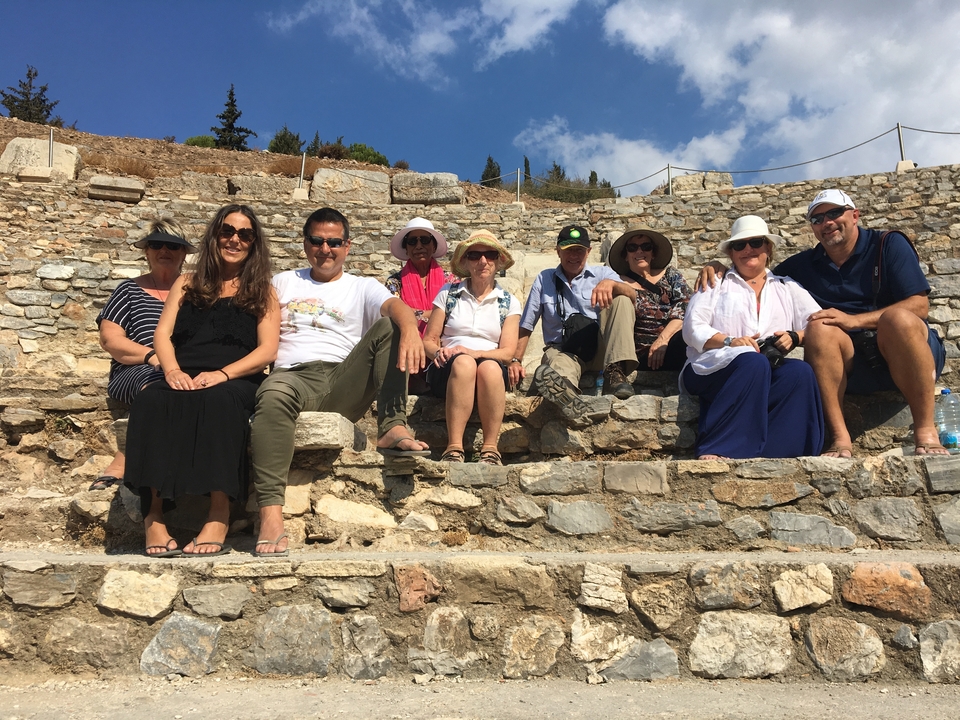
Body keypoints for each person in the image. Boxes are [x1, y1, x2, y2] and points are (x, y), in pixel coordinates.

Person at [698, 190, 948, 457]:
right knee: (819, 327)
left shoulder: (887, 244)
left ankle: (926, 431)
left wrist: (853, 321)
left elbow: (919, 305)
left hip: (907, 349)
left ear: (855, 215)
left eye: (834, 213)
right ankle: (840, 438)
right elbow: (756, 271)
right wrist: (718, 267)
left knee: (897, 319)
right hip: (850, 362)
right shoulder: (802, 266)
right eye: (817, 219)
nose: (827, 222)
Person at [249, 207, 429, 558]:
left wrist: (409, 328)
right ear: (305, 244)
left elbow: (395, 306)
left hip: (344, 377)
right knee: (272, 395)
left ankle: (392, 425)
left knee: (391, 324)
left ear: (347, 246)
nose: (325, 249)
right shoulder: (282, 282)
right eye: (317, 240)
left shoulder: (362, 286)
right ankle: (270, 514)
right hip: (292, 376)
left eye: (333, 242)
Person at [125, 204, 280, 557]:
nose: (234, 240)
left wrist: (223, 374)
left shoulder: (263, 291)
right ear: (214, 236)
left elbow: (267, 350)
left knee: (219, 401)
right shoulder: (186, 282)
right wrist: (172, 371)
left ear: (254, 243)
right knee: (151, 399)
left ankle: (219, 513)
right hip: (183, 372)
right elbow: (162, 335)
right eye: (227, 231)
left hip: (236, 377)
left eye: (244, 234)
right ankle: (153, 516)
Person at [682, 215, 824, 459]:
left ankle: (781, 451)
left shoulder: (786, 287)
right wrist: (730, 341)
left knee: (799, 372)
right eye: (740, 245)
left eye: (756, 242)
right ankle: (720, 446)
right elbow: (692, 327)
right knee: (751, 360)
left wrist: (795, 336)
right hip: (711, 366)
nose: (748, 249)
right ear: (731, 253)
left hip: (765, 366)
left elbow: (818, 322)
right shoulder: (715, 283)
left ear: (768, 248)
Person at [93, 219, 196, 491]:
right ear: (146, 251)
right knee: (158, 387)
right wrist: (153, 356)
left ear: (184, 252)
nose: (165, 250)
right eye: (157, 244)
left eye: (173, 245)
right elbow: (110, 339)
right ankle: (125, 457)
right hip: (138, 369)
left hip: (187, 368)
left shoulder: (197, 293)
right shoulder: (129, 290)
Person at [509, 225, 638, 425]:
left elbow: (633, 296)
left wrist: (614, 285)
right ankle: (566, 393)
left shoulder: (603, 273)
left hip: (601, 350)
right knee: (559, 366)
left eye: (579, 250)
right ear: (558, 251)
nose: (574, 256)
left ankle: (616, 373)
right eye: (568, 250)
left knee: (622, 299)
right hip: (564, 350)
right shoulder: (544, 279)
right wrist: (516, 360)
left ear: (588, 251)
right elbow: (527, 324)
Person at [422, 230, 521, 465]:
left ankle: (490, 448)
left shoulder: (509, 302)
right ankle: (454, 447)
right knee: (464, 364)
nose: (482, 261)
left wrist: (474, 352)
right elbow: (428, 340)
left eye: (490, 255)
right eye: (475, 255)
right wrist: (438, 352)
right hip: (449, 367)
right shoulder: (448, 294)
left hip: (489, 366)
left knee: (489, 368)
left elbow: (508, 352)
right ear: (465, 262)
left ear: (498, 261)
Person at [384, 217, 457, 394]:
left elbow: (456, 312)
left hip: (443, 344)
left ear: (433, 246)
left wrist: (415, 313)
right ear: (406, 248)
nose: (418, 246)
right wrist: (434, 313)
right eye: (412, 241)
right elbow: (393, 312)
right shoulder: (395, 282)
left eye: (424, 240)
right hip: (408, 343)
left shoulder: (451, 281)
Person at [607, 228, 690, 371]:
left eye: (646, 247)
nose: (639, 251)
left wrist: (663, 340)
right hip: (642, 354)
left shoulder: (671, 275)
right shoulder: (618, 283)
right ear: (626, 255)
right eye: (632, 247)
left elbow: (685, 307)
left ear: (653, 253)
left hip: (672, 342)